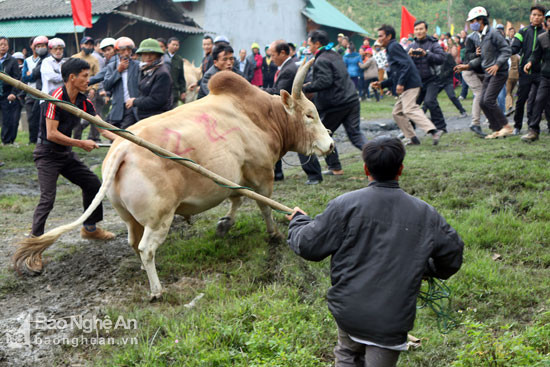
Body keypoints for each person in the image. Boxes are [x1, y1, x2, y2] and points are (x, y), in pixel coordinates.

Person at [286, 136, 464, 367]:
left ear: (365, 169)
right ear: (400, 169)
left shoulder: (344, 205)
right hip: (391, 319)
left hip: (349, 311)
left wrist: (298, 222)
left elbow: (308, 245)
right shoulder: (426, 214)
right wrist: (426, 268)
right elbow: (452, 255)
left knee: (347, 357)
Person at [31, 58, 118, 240]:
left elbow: (102, 127)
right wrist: (81, 143)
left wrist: (124, 139)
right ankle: (34, 241)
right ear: (72, 77)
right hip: (47, 154)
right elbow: (51, 134)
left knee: (93, 184)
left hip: (65, 154)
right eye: (85, 76)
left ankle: (90, 229)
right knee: (47, 199)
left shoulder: (82, 100)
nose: (89, 80)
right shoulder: (54, 98)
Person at [299, 30, 367, 184]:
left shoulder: (322, 59)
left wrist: (307, 87)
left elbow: (325, 81)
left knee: (322, 135)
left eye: (309, 43)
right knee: (355, 134)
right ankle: (376, 156)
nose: (308, 46)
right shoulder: (334, 54)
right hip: (351, 99)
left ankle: (333, 168)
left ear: (317, 44)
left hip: (337, 104)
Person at [371, 25, 443, 146]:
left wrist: (401, 83)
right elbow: (396, 73)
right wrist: (382, 84)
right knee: (397, 112)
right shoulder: (390, 48)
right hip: (407, 84)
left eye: (381, 36)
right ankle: (413, 138)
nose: (379, 39)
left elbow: (406, 65)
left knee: (409, 109)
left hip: (410, 84)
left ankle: (433, 131)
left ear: (388, 36)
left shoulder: (394, 46)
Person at [456, 7, 512, 139]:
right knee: (482, 101)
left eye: (473, 21)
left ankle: (506, 126)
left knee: (489, 100)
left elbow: (506, 50)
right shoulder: (481, 36)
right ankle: (497, 129)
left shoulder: (494, 33)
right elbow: (483, 59)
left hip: (499, 73)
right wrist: (467, 66)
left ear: (481, 20)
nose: (471, 24)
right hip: (488, 72)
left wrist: (497, 65)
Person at [262, 40, 298, 182]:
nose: (271, 59)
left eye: (273, 55)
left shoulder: (288, 69)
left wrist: (258, 91)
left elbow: (278, 92)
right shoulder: (286, 67)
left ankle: (314, 174)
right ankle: (277, 173)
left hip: (289, 112)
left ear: (282, 53)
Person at [511, 5, 548, 135]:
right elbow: (514, 47)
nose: (536, 17)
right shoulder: (523, 32)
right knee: (521, 100)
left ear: (543, 17)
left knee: (545, 100)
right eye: (534, 15)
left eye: (539, 15)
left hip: (541, 73)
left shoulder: (545, 33)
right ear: (530, 16)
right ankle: (517, 126)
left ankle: (547, 126)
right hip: (525, 72)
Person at [407, 20, 448, 132]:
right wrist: (409, 56)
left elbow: (442, 58)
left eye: (421, 29)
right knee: (411, 105)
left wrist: (427, 54)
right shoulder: (411, 45)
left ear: (426, 30)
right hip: (417, 82)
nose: (419, 31)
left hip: (432, 79)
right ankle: (410, 130)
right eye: (416, 29)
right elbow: (405, 63)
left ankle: (441, 127)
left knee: (430, 101)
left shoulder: (434, 44)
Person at [125, 38, 172, 121]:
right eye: (145, 54)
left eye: (152, 54)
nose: (148, 57)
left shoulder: (162, 73)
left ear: (158, 55)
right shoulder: (145, 69)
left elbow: (156, 100)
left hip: (155, 118)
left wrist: (135, 101)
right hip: (143, 115)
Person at [521, 10, 550, 142]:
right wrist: (530, 62)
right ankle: (533, 130)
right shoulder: (542, 38)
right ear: (546, 23)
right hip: (546, 76)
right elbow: (536, 54)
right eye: (549, 20)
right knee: (539, 101)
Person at [455, 30, 487, 137]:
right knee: (479, 93)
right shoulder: (471, 38)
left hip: (483, 71)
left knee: (489, 95)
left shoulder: (491, 35)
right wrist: (476, 54)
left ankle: (493, 120)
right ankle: (475, 123)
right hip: (469, 70)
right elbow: (467, 57)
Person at [103, 37, 140, 129]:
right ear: (117, 51)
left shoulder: (137, 66)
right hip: (118, 107)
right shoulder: (112, 66)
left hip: (132, 106)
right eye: (123, 50)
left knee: (125, 131)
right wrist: (118, 71)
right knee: (113, 132)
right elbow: (106, 85)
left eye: (129, 50)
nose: (126, 53)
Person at [71, 36, 101, 141]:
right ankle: (76, 138)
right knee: (76, 115)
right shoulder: (74, 58)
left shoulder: (94, 59)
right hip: (76, 91)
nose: (88, 46)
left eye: (90, 44)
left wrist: (94, 88)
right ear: (81, 45)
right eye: (86, 44)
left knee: (92, 115)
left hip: (89, 91)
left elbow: (98, 76)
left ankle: (95, 137)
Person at [22, 36, 49, 144]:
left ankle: (42, 141)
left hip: (42, 92)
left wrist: (32, 73)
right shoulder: (28, 60)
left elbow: (34, 74)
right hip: (31, 92)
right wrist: (32, 74)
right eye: (37, 45)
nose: (39, 48)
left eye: (42, 45)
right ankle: (33, 141)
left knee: (41, 118)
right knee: (32, 118)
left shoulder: (46, 59)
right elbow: (25, 77)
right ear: (32, 46)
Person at [0, 36, 22, 145]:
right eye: (0, 44)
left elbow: (17, 78)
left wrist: (13, 93)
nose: (2, 47)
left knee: (7, 119)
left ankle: (7, 141)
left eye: (5, 44)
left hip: (7, 93)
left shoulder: (12, 61)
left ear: (8, 47)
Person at [434, 50, 467, 117]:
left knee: (452, 96)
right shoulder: (434, 57)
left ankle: (462, 111)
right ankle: (424, 112)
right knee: (431, 97)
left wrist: (446, 74)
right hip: (438, 80)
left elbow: (453, 66)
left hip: (447, 80)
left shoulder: (447, 55)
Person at [164, 37, 186, 109]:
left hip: (174, 93)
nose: (175, 47)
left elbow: (181, 77)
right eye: (173, 44)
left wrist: (183, 91)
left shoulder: (179, 59)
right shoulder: (162, 56)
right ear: (168, 45)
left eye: (177, 45)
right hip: (163, 91)